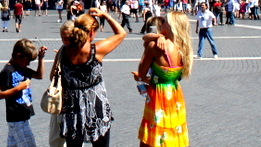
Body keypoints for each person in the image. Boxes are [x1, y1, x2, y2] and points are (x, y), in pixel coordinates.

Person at [59, 8, 127, 147]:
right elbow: (121, 33)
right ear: (91, 32)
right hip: (96, 105)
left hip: (72, 104)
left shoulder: (64, 51)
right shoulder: (96, 51)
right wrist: (106, 16)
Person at [133, 11, 192, 147]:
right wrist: (159, 36)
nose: (160, 23)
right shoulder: (184, 48)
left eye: (164, 21)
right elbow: (167, 78)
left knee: (152, 136)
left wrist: (149, 47)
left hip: (158, 98)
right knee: (171, 133)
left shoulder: (155, 47)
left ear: (172, 26)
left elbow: (141, 74)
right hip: (174, 95)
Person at [0, 38, 47, 147]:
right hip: (16, 117)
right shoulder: (7, 71)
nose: (28, 64)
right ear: (18, 56)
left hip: (24, 115)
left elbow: (39, 75)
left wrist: (41, 58)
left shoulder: (22, 68)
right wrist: (18, 88)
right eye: (27, 61)